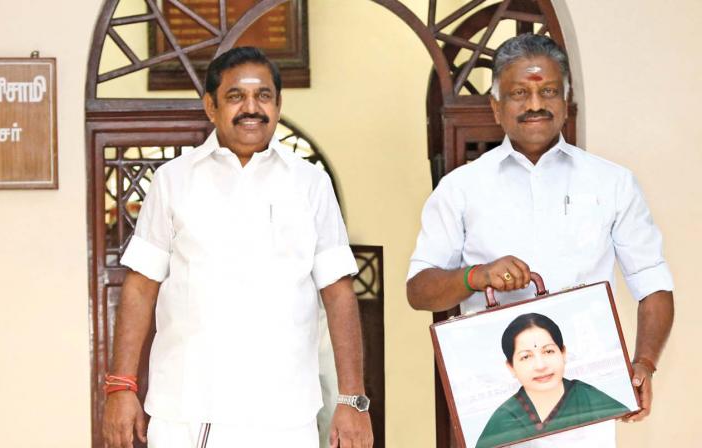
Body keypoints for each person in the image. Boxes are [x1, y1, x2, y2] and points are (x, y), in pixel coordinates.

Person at [407, 33, 674, 447]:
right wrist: (476, 277)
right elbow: (419, 291)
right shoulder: (459, 189)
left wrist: (644, 364)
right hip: (495, 406)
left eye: (548, 91)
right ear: (496, 107)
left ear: (566, 102)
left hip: (587, 406)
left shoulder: (612, 182)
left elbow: (653, 281)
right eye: (519, 93)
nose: (535, 104)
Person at [102, 47, 373, 448]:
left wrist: (353, 400)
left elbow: (338, 293)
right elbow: (141, 286)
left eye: (263, 96)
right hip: (189, 412)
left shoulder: (310, 183)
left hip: (285, 415)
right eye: (236, 97)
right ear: (210, 106)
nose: (252, 108)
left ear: (279, 105)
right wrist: (121, 386)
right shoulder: (173, 180)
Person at [476, 313, 629, 448]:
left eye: (548, 351)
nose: (541, 365)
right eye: (526, 357)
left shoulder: (588, 396)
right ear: (511, 367)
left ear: (563, 353)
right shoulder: (505, 416)